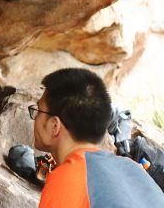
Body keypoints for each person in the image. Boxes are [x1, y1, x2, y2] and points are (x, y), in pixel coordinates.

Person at [30, 68, 164, 207]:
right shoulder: (133, 168)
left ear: (54, 126)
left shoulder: (68, 181)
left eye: (38, 111)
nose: (35, 118)